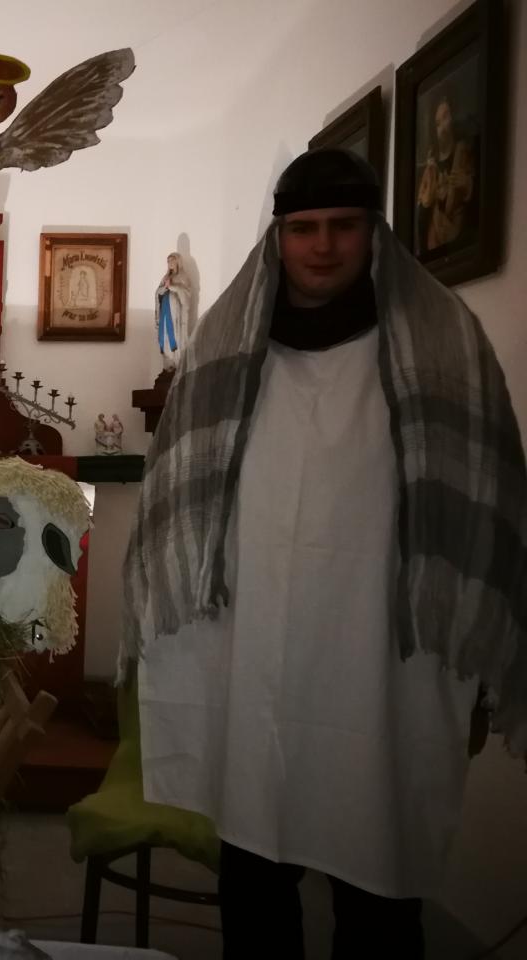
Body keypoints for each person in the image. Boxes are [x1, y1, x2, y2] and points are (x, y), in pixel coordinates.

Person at [122, 148, 525, 958]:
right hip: (250, 643)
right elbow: (180, 500)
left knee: (379, 875)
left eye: (344, 225)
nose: (324, 246)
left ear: (375, 232)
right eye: (303, 228)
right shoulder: (223, 346)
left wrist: (479, 657)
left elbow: (487, 503)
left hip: (384, 654)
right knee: (253, 871)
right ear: (278, 237)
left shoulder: (445, 346)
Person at [416, 92, 478, 253]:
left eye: (446, 117)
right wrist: (428, 201)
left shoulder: (465, 155)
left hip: (462, 243)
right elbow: (420, 222)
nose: (443, 128)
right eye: (437, 124)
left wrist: (468, 186)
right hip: (434, 245)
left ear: (453, 117)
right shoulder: (430, 169)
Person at [154, 251, 192, 371]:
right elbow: (157, 293)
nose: (170, 263)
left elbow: (187, 294)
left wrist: (172, 287)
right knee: (164, 336)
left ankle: (176, 364)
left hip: (175, 313)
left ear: (178, 262)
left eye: (172, 260)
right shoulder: (165, 278)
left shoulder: (183, 277)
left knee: (175, 335)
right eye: (168, 261)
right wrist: (163, 289)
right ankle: (168, 364)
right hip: (164, 311)